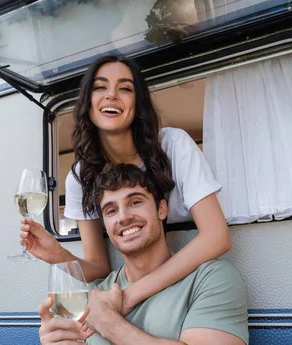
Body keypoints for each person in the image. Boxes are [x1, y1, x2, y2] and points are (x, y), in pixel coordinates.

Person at [21, 54, 230, 315]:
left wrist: (132, 295)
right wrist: (58, 256)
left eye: (125, 88)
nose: (111, 95)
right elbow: (100, 267)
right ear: (88, 103)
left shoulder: (173, 144)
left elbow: (217, 238)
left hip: (185, 281)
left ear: (137, 104)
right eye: (100, 87)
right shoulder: (79, 176)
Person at [37, 164, 248, 345]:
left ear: (161, 209)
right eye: (110, 211)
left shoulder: (212, 279)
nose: (124, 217)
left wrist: (107, 321)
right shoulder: (96, 293)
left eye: (135, 202)